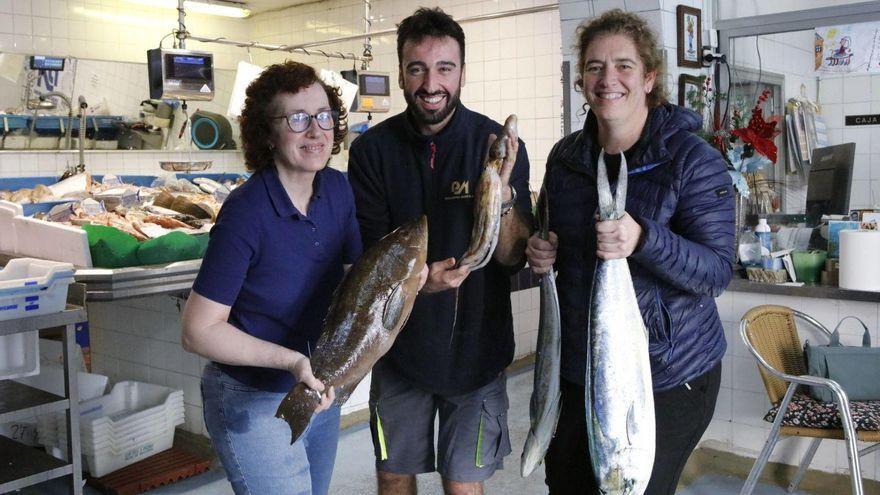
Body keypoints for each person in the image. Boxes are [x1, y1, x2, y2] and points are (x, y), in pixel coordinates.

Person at [525, 9, 734, 495]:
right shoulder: (565, 158)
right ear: (581, 80)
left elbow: (717, 271)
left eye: (624, 65)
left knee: (629, 486)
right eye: (595, 67)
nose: (608, 79)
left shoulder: (693, 161)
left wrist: (644, 240)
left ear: (649, 78)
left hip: (667, 374)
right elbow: (551, 234)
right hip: (580, 365)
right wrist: (542, 249)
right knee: (568, 484)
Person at [347, 7, 532, 495]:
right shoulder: (371, 152)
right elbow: (372, 256)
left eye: (444, 68)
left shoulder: (495, 145)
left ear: (463, 72)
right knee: (393, 477)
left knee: (462, 485)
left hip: (477, 352)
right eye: (418, 69)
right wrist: (418, 285)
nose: (432, 84)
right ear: (401, 74)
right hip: (398, 351)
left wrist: (503, 196)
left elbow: (512, 257)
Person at [181, 61, 361, 495]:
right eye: (297, 119)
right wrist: (292, 361)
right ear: (268, 133)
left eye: (323, 116)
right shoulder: (247, 212)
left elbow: (354, 283)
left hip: (317, 389)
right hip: (252, 397)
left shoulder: (337, 189)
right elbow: (197, 331)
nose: (316, 131)